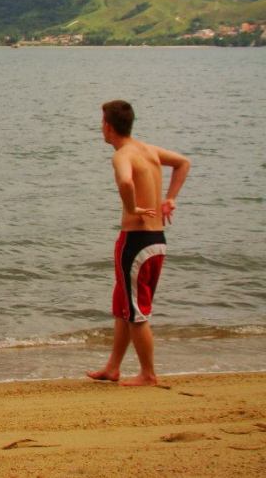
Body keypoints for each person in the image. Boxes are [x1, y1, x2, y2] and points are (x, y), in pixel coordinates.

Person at [87, 100, 190, 387]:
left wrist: (132, 208)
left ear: (108, 126)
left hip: (136, 241)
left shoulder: (123, 155)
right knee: (124, 304)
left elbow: (125, 182)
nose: (101, 128)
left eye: (102, 123)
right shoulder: (149, 150)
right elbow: (183, 162)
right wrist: (170, 198)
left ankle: (148, 374)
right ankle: (113, 367)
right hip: (157, 241)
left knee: (135, 311)